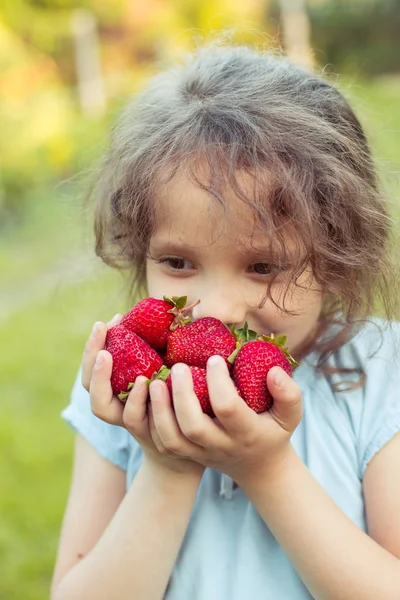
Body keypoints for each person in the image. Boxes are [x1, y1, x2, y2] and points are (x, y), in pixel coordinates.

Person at [51, 40, 400, 600]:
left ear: (337, 259)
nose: (215, 310)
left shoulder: (381, 377)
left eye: (263, 266)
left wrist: (266, 469)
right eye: (178, 262)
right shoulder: (121, 390)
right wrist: (168, 467)